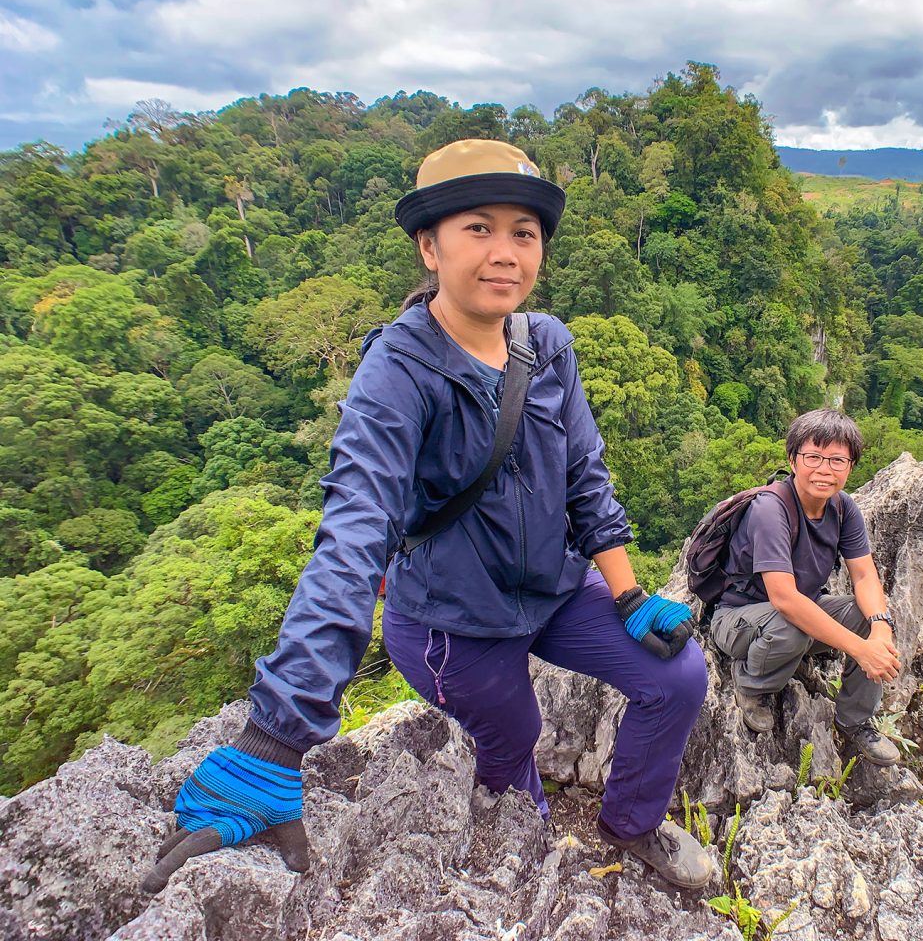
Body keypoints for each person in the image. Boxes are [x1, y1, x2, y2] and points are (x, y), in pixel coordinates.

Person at [142, 139, 715, 894]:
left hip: (552, 587)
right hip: (453, 625)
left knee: (678, 676)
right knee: (515, 740)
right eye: (478, 228)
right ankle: (531, 839)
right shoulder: (398, 370)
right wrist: (276, 735)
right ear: (430, 245)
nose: (504, 252)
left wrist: (631, 595)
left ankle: (631, 824)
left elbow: (585, 476)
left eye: (524, 232)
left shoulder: (548, 346)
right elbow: (353, 533)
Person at [709, 408, 904, 765]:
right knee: (792, 627)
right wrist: (861, 650)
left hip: (799, 614)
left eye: (836, 460)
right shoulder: (772, 509)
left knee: (869, 614)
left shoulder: (844, 509)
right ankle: (752, 683)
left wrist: (879, 627)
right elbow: (784, 599)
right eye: (813, 457)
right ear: (793, 459)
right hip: (739, 619)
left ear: (850, 466)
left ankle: (855, 719)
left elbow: (864, 575)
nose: (824, 469)